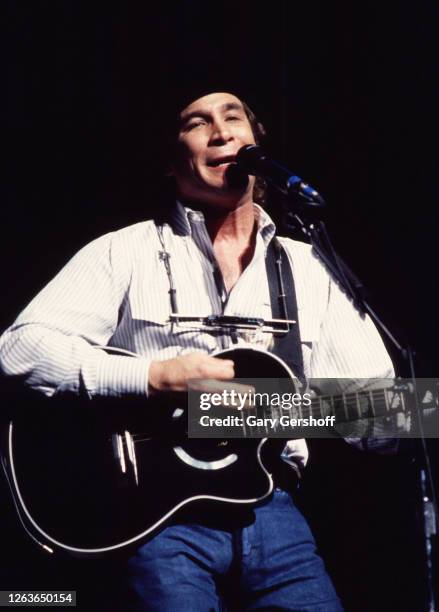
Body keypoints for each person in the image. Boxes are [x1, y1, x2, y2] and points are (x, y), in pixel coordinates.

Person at [0, 89, 396, 610]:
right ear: (174, 160)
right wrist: (154, 377)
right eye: (197, 123)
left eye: (234, 118)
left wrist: (276, 410)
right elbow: (19, 351)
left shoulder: (309, 266)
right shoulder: (126, 249)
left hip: (274, 509)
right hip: (156, 521)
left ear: (255, 144)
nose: (221, 131)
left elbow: (385, 412)